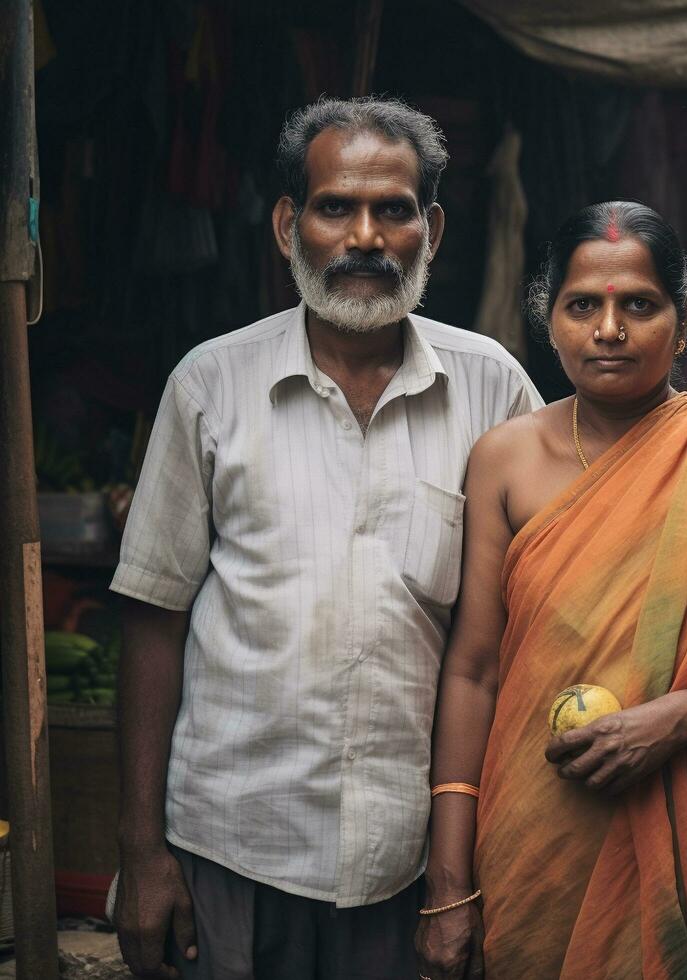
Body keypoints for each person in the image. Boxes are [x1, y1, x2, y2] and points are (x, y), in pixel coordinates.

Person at [109, 95, 541, 980]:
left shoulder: (491, 386)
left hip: (414, 857)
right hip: (231, 846)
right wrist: (143, 850)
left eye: (394, 210)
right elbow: (154, 618)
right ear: (286, 225)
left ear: (434, 229)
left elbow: (545, 605)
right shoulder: (210, 384)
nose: (365, 237)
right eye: (335, 206)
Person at [416, 202, 687, 980]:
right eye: (583, 305)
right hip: (543, 846)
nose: (608, 329)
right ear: (549, 322)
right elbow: (473, 670)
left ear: (682, 326)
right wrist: (450, 887)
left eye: (638, 306)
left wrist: (682, 718)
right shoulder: (505, 460)